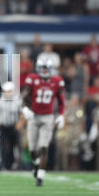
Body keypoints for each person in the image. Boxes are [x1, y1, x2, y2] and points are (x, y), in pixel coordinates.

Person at [20, 57, 66, 186]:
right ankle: (36, 163)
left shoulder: (57, 81)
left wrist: (61, 115)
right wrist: (24, 109)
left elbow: (61, 100)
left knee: (44, 147)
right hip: (34, 116)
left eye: (47, 68)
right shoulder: (32, 79)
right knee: (32, 149)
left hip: (48, 117)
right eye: (43, 68)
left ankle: (40, 177)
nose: (45, 71)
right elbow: (23, 96)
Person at [0, 81, 23, 170]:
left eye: (9, 91)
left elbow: (22, 114)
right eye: (6, 91)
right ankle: (4, 164)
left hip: (14, 127)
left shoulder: (18, 101)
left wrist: (20, 123)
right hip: (3, 127)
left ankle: (15, 165)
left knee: (15, 146)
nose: (7, 93)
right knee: (4, 146)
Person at [64, 94, 86, 171]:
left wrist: (83, 132)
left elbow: (82, 120)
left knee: (77, 147)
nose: (75, 102)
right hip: (69, 128)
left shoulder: (79, 109)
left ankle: (76, 165)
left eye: (76, 100)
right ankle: (68, 165)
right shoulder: (67, 108)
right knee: (68, 147)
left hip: (77, 128)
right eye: (73, 100)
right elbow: (64, 118)